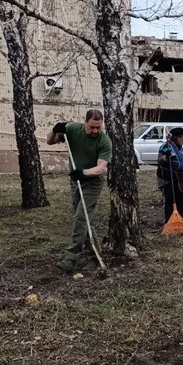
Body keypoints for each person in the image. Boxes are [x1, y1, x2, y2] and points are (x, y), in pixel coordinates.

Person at [47, 110, 111, 273]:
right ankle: (95, 254)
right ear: (85, 123)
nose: (96, 131)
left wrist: (82, 173)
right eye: (92, 127)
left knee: (80, 218)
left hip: (93, 183)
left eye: (99, 127)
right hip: (76, 182)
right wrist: (55, 130)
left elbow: (101, 168)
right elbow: (50, 142)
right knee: (84, 219)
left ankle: (70, 258)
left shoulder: (105, 141)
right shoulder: (73, 130)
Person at [158, 126, 183, 225]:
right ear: (177, 138)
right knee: (170, 201)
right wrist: (166, 157)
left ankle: (182, 220)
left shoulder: (179, 147)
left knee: (182, 200)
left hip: (181, 180)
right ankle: (169, 221)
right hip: (169, 179)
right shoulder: (167, 146)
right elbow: (160, 160)